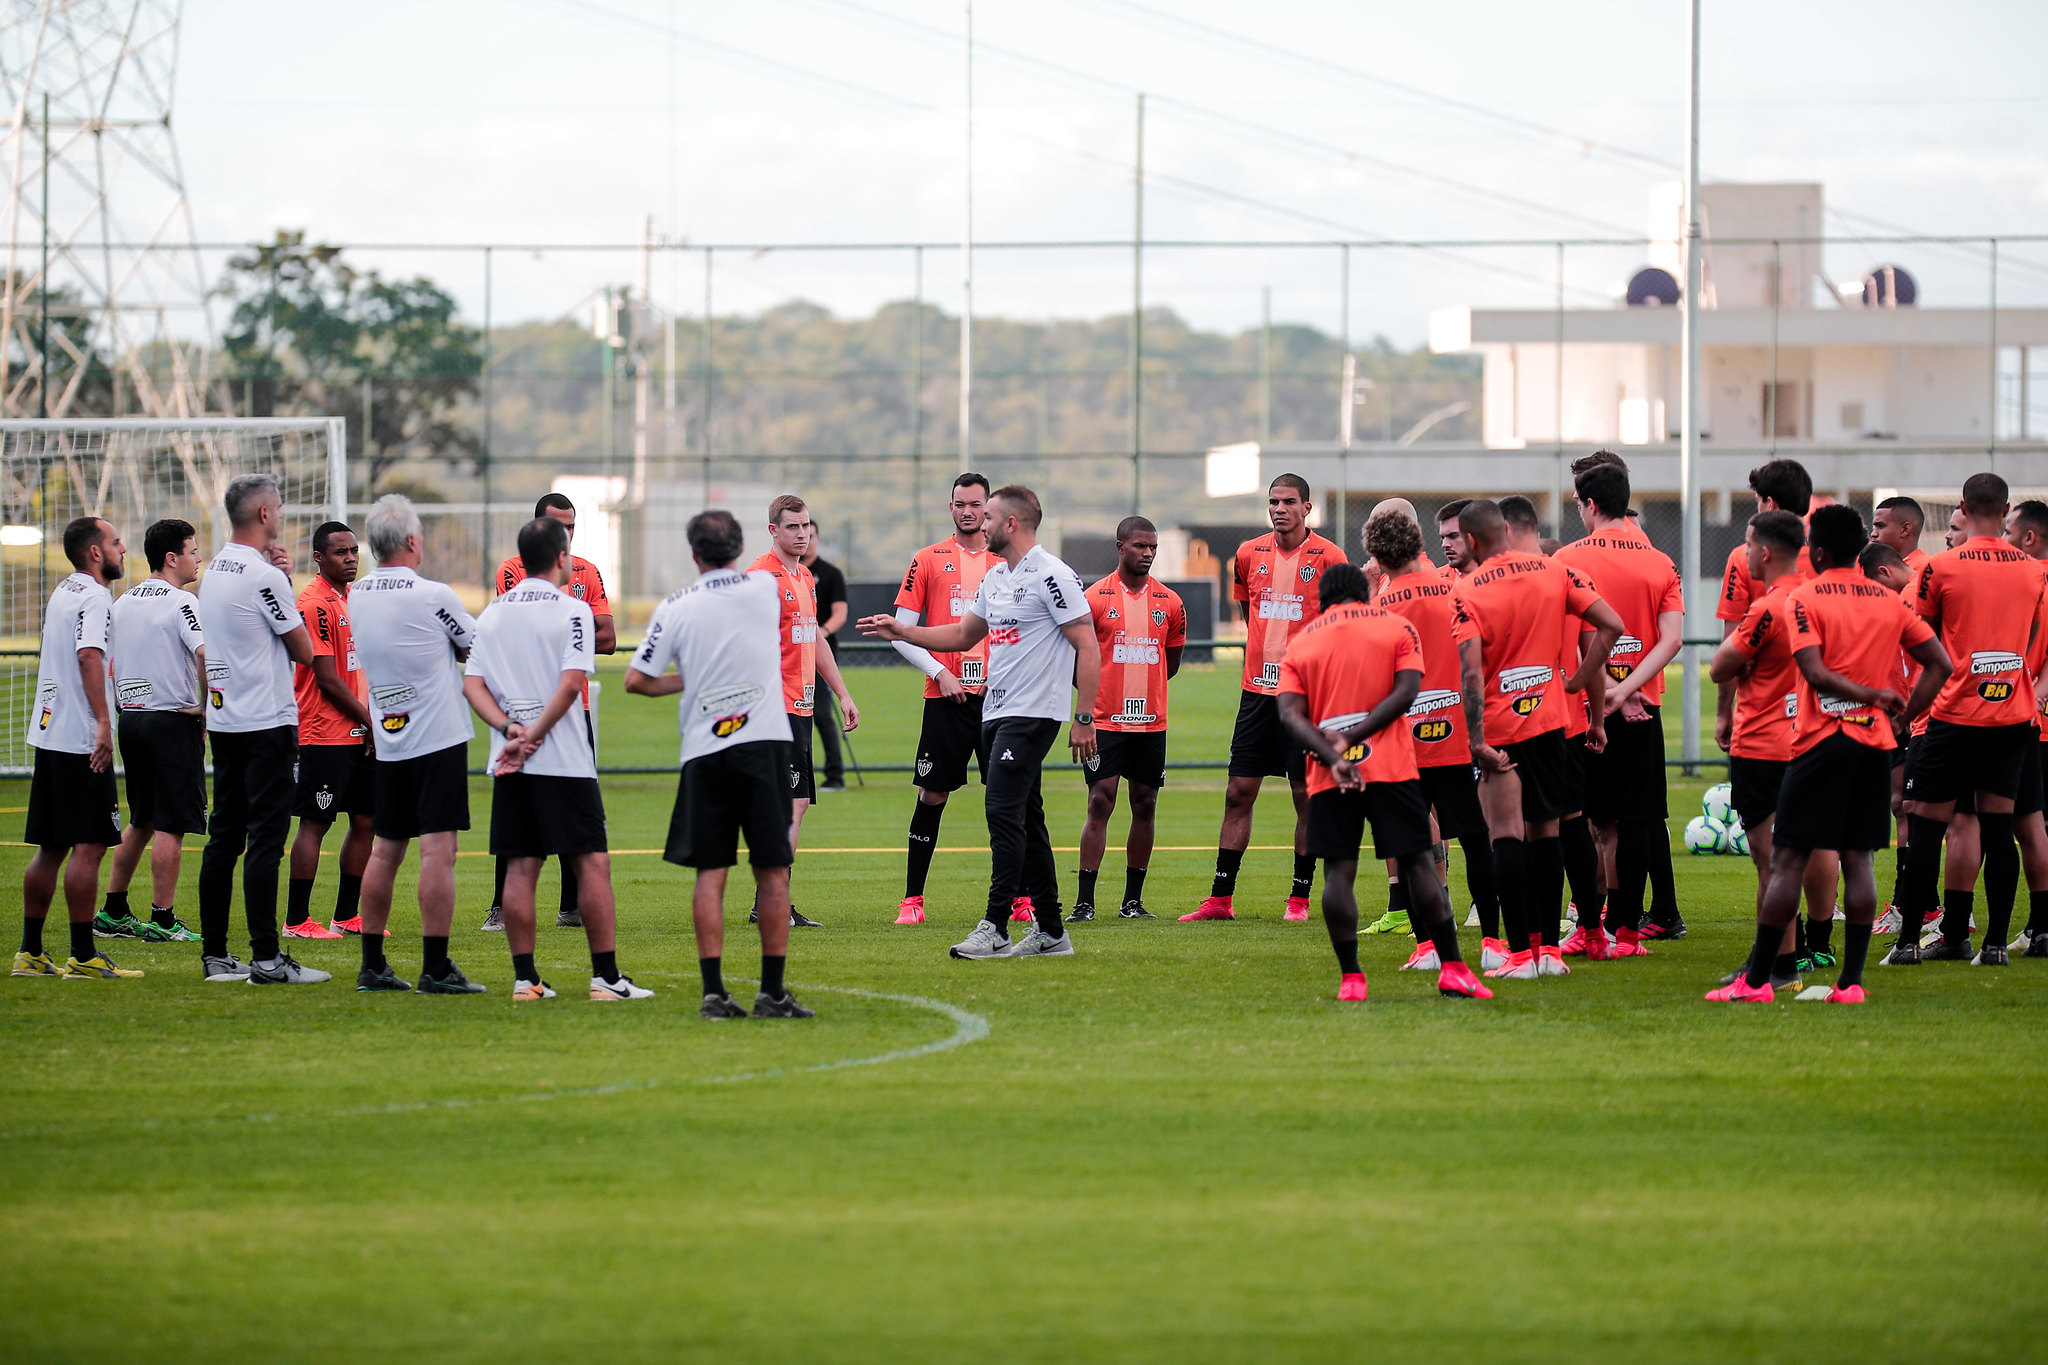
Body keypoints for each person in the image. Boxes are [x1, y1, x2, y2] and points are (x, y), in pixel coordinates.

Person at [1708, 505, 1949, 1003]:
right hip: (1874, 745)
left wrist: (1869, 695)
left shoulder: (1804, 598)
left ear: (1816, 552)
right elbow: (1939, 663)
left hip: (1818, 743)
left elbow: (1813, 672)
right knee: (1858, 861)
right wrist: (1900, 715)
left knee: (1786, 860)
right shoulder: (1888, 600)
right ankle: (1851, 984)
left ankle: (1758, 982)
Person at [861, 485, 1098, 959]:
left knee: (1001, 811)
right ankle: (1052, 932)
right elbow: (963, 633)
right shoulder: (997, 577)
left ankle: (996, 926)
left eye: (988, 515)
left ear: (1011, 522)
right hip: (996, 712)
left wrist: (1085, 718)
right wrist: (902, 630)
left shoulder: (1052, 574)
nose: (980, 523)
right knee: (1028, 818)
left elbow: (1087, 645)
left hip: (1032, 715)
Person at [625, 509, 814, 1020]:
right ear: (739, 548)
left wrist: (692, 679)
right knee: (772, 870)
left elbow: (636, 680)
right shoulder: (766, 587)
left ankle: (713, 994)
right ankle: (772, 993)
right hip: (763, 744)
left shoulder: (675, 605)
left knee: (710, 873)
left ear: (693, 554)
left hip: (705, 749)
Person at [1277, 562, 1492, 1002]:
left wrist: (1333, 752)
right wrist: (1360, 735)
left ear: (1324, 600)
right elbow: (1408, 690)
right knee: (1418, 864)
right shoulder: (1395, 626)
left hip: (1331, 771)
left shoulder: (1303, 641)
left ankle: (1352, 979)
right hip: (1391, 767)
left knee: (1339, 872)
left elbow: (1289, 715)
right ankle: (1453, 969)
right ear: (1364, 593)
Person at [465, 516, 651, 1002]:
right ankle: (606, 978)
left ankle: (525, 980)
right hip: (563, 760)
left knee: (521, 869)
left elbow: (472, 685)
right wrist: (535, 735)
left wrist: (510, 731)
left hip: (510, 760)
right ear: (562, 557)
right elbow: (571, 686)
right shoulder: (572, 611)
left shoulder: (493, 613)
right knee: (592, 864)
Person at [1456, 498, 1622, 980]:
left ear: (1472, 540)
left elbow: (1471, 674)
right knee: (1550, 831)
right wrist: (1577, 682)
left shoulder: (1467, 589)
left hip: (1501, 727)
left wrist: (1476, 740)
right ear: (1505, 530)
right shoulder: (1557, 570)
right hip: (1551, 720)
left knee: (1507, 833)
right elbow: (1612, 626)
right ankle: (1549, 953)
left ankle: (1519, 956)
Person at [1890, 473, 2048, 966]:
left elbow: (1919, 638)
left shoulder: (1941, 567)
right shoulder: (2033, 572)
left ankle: (1907, 944)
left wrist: (1908, 712)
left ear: (1962, 505)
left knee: (1927, 828)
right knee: (2000, 831)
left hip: (1954, 716)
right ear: (2005, 509)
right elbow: (2031, 637)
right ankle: (1995, 945)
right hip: (2011, 719)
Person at [1186, 473, 1347, 922]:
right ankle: (1220, 900)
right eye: (1274, 501)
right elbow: (1249, 611)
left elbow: (1339, 625)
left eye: (1289, 502)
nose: (1279, 509)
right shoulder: (1247, 553)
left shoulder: (1331, 557)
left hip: (1306, 698)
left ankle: (1299, 899)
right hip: (1256, 694)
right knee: (1238, 792)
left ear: (1306, 508)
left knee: (1304, 796)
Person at [347, 495, 483, 994]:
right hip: (437, 737)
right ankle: (436, 966)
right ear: (409, 540)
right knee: (438, 851)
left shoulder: (358, 593)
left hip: (390, 738)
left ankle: (372, 964)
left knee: (385, 850)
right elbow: (475, 646)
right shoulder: (433, 594)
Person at [1361, 503, 1504, 971]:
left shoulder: (1382, 606)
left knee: (1413, 845)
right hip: (1457, 735)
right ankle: (1492, 941)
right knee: (1476, 837)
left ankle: (1426, 947)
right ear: (1419, 540)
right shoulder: (1454, 586)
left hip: (1404, 744)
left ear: (1376, 553)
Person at [1554, 455, 1686, 952]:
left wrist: (1608, 689)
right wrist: (1629, 690)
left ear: (1590, 504)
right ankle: (1627, 932)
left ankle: (1592, 930)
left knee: (1591, 824)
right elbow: (1672, 641)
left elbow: (1578, 637)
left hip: (1587, 710)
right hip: (1642, 707)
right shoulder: (1660, 560)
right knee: (1635, 822)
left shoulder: (1567, 559)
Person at [196, 473, 322, 985]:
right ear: (265, 514)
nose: (283, 515)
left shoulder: (216, 569)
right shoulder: (263, 577)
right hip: (266, 723)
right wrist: (284, 584)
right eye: (280, 507)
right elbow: (304, 650)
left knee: (223, 837)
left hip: (226, 721)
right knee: (266, 839)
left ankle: (215, 955)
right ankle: (267, 959)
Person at [483, 492, 615, 932]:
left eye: (572, 525)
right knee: (516, 819)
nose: (568, 533)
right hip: (521, 711)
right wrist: (568, 636)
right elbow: (522, 632)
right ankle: (500, 907)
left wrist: (560, 635)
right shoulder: (511, 572)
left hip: (573, 712)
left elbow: (609, 638)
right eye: (560, 525)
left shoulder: (587, 573)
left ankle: (570, 907)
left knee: (577, 813)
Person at [15, 516, 136, 980]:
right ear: (95, 552)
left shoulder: (63, 591)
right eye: (116, 542)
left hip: (51, 733)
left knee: (51, 848)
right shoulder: (95, 597)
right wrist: (103, 724)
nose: (123, 550)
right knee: (90, 846)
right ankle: (83, 956)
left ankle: (30, 953)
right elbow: (88, 655)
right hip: (81, 740)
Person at [1709, 512, 1813, 990]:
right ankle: (1781, 961)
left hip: (1762, 746)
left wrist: (1742, 666)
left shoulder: (1767, 607)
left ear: (1765, 552)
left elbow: (1719, 666)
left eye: (1749, 545)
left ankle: (1772, 967)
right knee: (1786, 860)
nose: (1745, 553)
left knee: (1769, 863)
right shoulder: (1815, 598)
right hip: (1807, 741)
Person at [1502, 494, 1610, 954]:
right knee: (1571, 824)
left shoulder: (1496, 581)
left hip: (1520, 722)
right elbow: (1594, 653)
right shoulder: (1569, 576)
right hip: (1567, 721)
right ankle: (1591, 933)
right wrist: (1594, 716)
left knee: (1527, 830)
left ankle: (1533, 938)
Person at [748, 495, 861, 928]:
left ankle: (768, 901)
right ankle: (772, 902)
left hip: (801, 705)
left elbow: (814, 638)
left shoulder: (806, 576)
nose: (802, 534)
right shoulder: (760, 578)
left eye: (806, 526)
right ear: (773, 530)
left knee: (792, 805)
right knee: (790, 804)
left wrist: (842, 693)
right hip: (773, 709)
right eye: (792, 527)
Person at [889, 473, 994, 925]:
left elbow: (1026, 631)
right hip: (944, 697)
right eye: (960, 504)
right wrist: (940, 672)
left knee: (1011, 797)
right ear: (950, 507)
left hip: (998, 701)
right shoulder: (928, 559)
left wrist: (1001, 675)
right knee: (932, 794)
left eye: (975, 504)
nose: (967, 511)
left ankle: (1021, 898)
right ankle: (912, 901)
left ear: (989, 508)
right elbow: (901, 631)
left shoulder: (1008, 561)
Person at [1071, 516, 1185, 922]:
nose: (1148, 553)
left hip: (1151, 723)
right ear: (1121, 547)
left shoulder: (1170, 602)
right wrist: (1089, 709)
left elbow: (1171, 663)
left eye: (1153, 547)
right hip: (1105, 722)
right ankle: (1084, 902)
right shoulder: (1093, 598)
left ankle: (1132, 902)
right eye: (1140, 546)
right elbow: (1078, 663)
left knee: (1146, 804)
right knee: (1100, 800)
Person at [98, 518, 205, 944]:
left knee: (141, 819)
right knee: (170, 824)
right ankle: (162, 919)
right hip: (171, 720)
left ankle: (113, 911)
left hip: (132, 719)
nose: (199, 558)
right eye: (193, 551)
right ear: (172, 558)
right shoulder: (182, 602)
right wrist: (206, 707)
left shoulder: (123, 601)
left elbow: (107, 660)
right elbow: (205, 652)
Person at [283, 520, 375, 941]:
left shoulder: (353, 598)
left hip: (361, 730)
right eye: (341, 552)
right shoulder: (314, 604)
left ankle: (346, 916)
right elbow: (326, 679)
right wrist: (369, 721)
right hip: (324, 732)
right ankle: (296, 920)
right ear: (319, 558)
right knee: (316, 823)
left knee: (366, 820)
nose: (351, 558)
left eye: (354, 550)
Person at [2004, 501, 2048, 956]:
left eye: (2008, 530)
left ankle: (2040, 926)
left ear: (2029, 538)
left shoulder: (2026, 580)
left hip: (2021, 720)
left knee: (2025, 825)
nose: (2002, 538)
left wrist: (2035, 693)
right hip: (2028, 718)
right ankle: (2039, 926)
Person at [803, 538, 850, 791]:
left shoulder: (831, 573)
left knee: (822, 714)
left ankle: (835, 775)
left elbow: (840, 613)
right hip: (792, 656)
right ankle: (795, 775)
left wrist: (820, 633)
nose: (804, 538)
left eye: (809, 534)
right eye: (795, 528)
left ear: (817, 539)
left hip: (821, 655)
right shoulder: (786, 573)